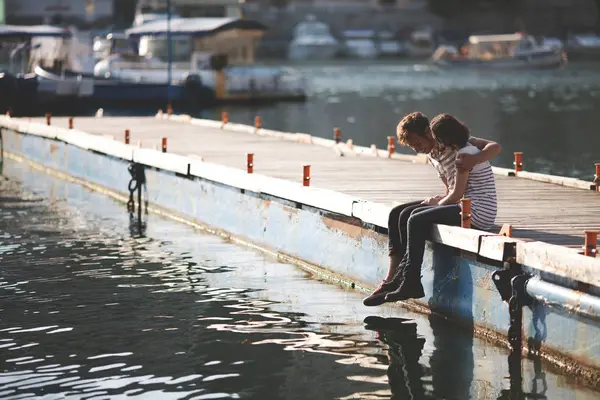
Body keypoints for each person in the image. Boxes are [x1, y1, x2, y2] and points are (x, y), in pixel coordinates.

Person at [363, 112, 500, 306]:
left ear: (431, 134)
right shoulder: (434, 155)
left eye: (417, 143)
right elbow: (451, 189)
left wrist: (438, 203)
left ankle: (409, 280)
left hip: (476, 211)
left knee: (416, 218)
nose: (417, 149)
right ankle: (395, 278)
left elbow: (458, 192)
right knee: (398, 214)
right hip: (460, 202)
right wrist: (439, 200)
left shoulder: (463, 152)